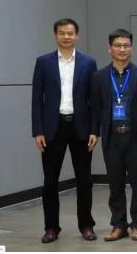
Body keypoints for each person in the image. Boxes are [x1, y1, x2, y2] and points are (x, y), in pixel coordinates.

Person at [32, 18, 99, 243]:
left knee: (84, 181)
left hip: (81, 128)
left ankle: (86, 225)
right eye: (62, 33)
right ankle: (51, 228)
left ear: (77, 35)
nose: (66, 37)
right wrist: (38, 131)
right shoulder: (43, 62)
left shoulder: (88, 63)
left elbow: (94, 100)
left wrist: (94, 130)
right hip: (53, 128)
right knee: (50, 181)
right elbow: (36, 99)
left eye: (70, 33)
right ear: (56, 35)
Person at [91, 29, 137, 242]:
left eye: (126, 45)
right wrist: (94, 132)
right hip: (112, 137)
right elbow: (95, 108)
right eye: (118, 45)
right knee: (115, 184)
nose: (122, 49)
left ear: (131, 48)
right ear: (110, 49)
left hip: (136, 137)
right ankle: (118, 225)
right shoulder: (99, 76)